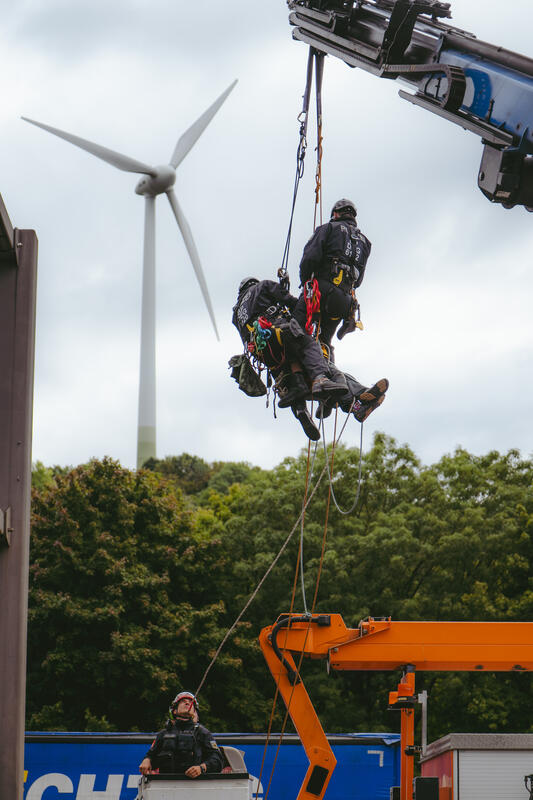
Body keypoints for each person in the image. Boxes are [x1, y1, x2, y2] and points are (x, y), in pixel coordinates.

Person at [232, 277, 348, 438]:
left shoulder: (236, 313)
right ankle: (320, 379)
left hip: (260, 351)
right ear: (253, 283)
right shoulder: (263, 286)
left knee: (286, 378)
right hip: (276, 330)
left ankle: (300, 410)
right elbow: (289, 301)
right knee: (307, 344)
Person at [293, 198, 371, 352]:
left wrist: (305, 283)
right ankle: (327, 365)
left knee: (295, 329)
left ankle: (297, 364)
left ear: (335, 214)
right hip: (345, 302)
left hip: (321, 291)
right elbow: (358, 281)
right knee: (325, 342)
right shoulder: (365, 243)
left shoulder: (328, 228)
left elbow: (309, 259)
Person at [139, 691, 223, 778]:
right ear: (174, 710)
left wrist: (201, 768)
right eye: (183, 701)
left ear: (194, 711)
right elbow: (150, 755)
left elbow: (217, 759)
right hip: (166, 783)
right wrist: (147, 760)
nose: (187, 703)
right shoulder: (163, 734)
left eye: (191, 703)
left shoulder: (202, 733)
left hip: (195, 783)